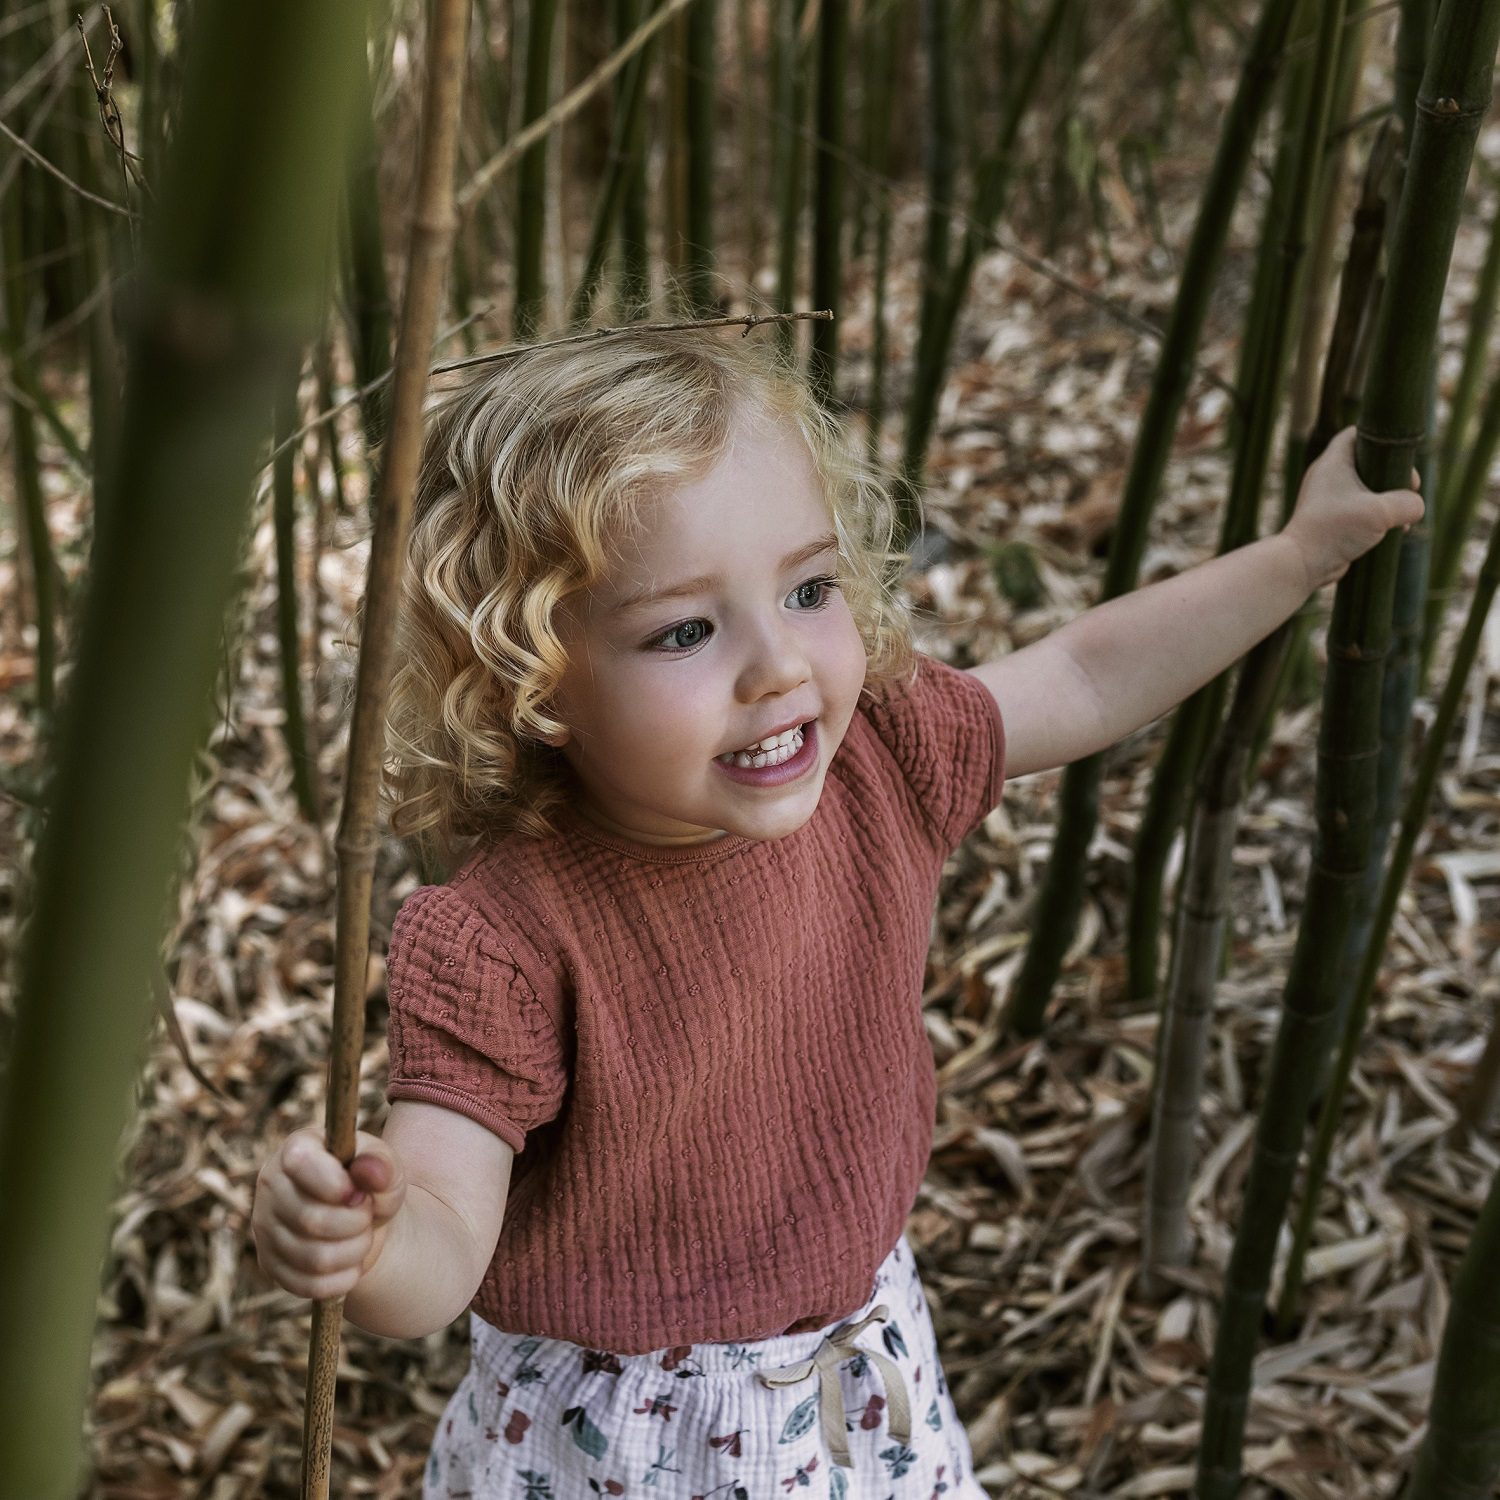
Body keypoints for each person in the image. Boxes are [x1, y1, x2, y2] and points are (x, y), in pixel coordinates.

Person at [251, 328, 1422, 1499]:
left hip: (859, 1372)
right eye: (685, 631)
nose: (779, 667)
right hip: (626, 1445)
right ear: (528, 679)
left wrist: (1295, 557)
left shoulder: (884, 759)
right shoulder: (505, 937)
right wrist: (369, 1243)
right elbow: (445, 1233)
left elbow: (1081, 676)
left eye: (809, 590)